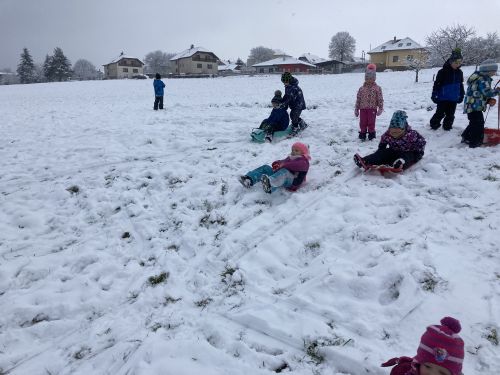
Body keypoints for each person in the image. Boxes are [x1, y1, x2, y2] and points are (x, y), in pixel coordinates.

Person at [381, 316, 464, 375]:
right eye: (427, 366)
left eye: (442, 373)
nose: (432, 374)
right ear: (419, 363)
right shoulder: (405, 371)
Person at [354, 110, 426, 170]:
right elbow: (383, 140)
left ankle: (399, 164)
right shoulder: (388, 134)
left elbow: (422, 142)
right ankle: (365, 161)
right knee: (384, 153)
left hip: (408, 152)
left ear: (403, 129)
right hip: (394, 151)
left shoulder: (411, 135)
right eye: (392, 131)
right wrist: (380, 152)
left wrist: (418, 155)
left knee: (407, 156)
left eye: (397, 131)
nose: (394, 133)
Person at [238, 142, 310, 194]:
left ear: (303, 153)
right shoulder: (291, 158)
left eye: (296, 150)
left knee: (284, 171)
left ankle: (270, 186)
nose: (293, 152)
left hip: (294, 182)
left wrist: (282, 165)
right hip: (282, 177)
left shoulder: (304, 162)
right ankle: (249, 180)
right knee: (266, 167)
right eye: (292, 150)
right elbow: (284, 162)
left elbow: (294, 165)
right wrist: (278, 162)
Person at [461, 59, 500, 148]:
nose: (495, 73)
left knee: (474, 122)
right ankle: (475, 142)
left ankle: (466, 136)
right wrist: (497, 91)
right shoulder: (483, 79)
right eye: (494, 71)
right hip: (474, 106)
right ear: (488, 71)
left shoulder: (477, 77)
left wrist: (488, 100)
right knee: (478, 124)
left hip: (471, 105)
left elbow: (480, 93)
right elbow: (487, 92)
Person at [430, 48, 465, 131]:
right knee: (440, 113)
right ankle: (434, 124)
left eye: (460, 63)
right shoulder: (442, 71)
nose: (458, 64)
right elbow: (437, 84)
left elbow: (461, 84)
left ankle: (447, 127)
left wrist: (461, 94)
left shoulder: (460, 72)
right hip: (443, 97)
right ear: (451, 61)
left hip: (453, 98)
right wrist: (434, 94)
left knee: (451, 114)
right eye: (456, 62)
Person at [355, 63, 384, 141]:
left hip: (372, 109)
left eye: (371, 78)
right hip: (363, 109)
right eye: (367, 78)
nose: (369, 80)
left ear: (374, 78)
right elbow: (358, 99)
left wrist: (380, 108)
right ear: (365, 79)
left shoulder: (377, 88)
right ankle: (362, 134)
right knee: (363, 122)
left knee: (371, 123)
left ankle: (371, 134)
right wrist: (356, 109)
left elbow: (380, 99)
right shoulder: (361, 89)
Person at [280, 72, 307, 137]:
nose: (284, 83)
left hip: (298, 105)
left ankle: (296, 128)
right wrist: (282, 101)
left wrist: (283, 104)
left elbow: (290, 98)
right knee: (294, 116)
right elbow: (286, 95)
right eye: (283, 82)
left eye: (285, 82)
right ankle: (302, 124)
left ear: (288, 81)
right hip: (294, 104)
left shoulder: (294, 88)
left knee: (293, 116)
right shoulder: (288, 86)